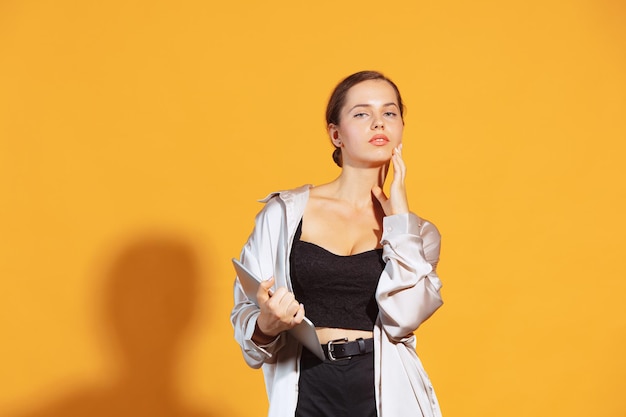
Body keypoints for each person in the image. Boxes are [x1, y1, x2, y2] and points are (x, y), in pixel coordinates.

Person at [231, 70, 444, 417]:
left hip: (385, 393)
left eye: (389, 113)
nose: (378, 123)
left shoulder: (419, 234)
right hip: (307, 388)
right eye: (362, 113)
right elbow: (247, 323)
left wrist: (400, 222)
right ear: (336, 134)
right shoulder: (284, 215)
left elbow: (403, 319)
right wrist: (267, 326)